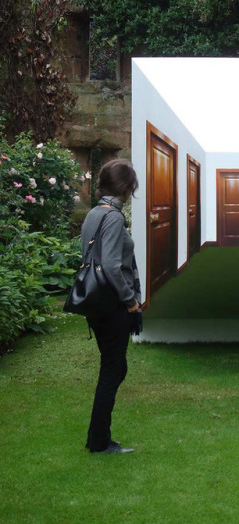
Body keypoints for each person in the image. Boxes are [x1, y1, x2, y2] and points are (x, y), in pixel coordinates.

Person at [81, 159, 142, 454]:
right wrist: (131, 301)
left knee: (115, 369)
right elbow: (112, 266)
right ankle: (99, 441)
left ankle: (98, 437)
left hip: (96, 304)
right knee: (112, 370)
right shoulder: (115, 218)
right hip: (112, 306)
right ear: (126, 188)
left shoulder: (94, 213)